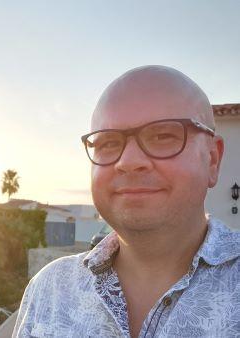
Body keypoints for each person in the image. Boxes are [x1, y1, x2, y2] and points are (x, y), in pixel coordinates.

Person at [13, 66, 240, 338]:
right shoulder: (50, 289)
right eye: (108, 142)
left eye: (163, 136)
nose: (129, 162)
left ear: (212, 159)